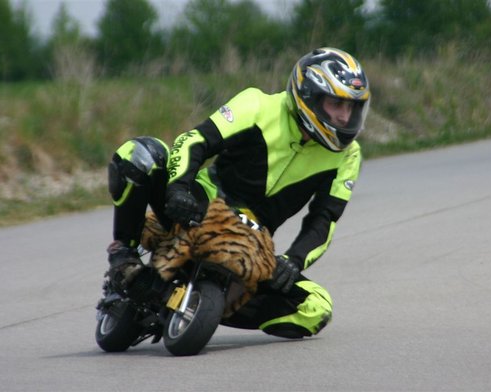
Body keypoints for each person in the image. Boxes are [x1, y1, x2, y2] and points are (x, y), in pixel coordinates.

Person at [105, 47, 371, 339]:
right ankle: (124, 256)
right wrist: (178, 189)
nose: (345, 118)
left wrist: (293, 262)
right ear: (308, 96)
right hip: (199, 203)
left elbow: (324, 220)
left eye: (352, 108)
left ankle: (208, 306)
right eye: (337, 105)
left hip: (250, 239)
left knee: (316, 307)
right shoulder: (258, 105)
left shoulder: (348, 156)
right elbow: (194, 141)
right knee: (140, 154)